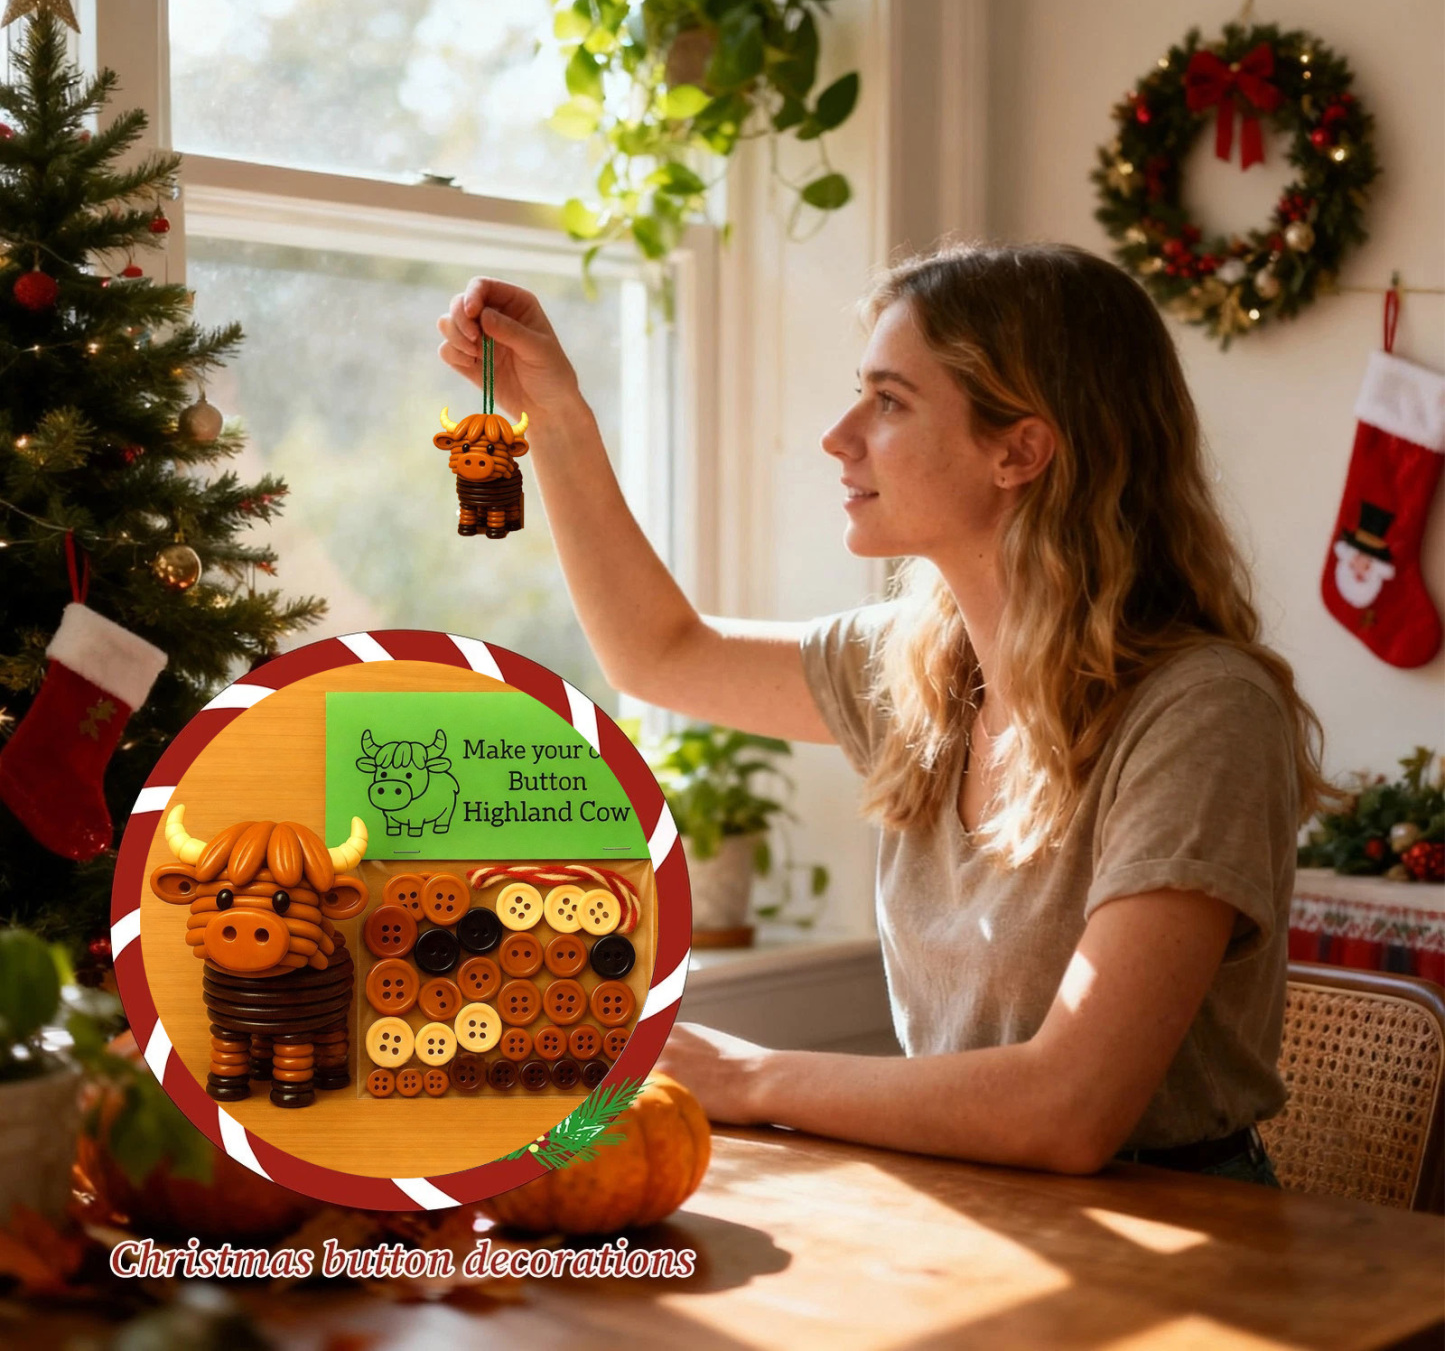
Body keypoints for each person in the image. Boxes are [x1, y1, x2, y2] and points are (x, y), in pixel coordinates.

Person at [437, 242, 1328, 1186]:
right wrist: (556, 412)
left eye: (889, 400)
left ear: (1018, 450)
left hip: (1185, 1234)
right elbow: (658, 653)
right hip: (974, 1195)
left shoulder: (1202, 713)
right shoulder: (921, 663)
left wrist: (744, 1075)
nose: (838, 433)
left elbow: (1069, 1110)